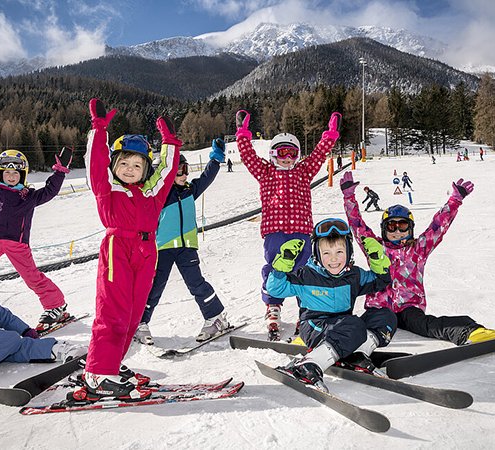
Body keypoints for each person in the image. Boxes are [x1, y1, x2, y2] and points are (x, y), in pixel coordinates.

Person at [74, 98, 180, 403]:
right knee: (113, 311)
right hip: (117, 247)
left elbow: (168, 172)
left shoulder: (151, 193)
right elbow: (95, 161)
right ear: (114, 165)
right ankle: (97, 372)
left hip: (147, 251)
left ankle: (110, 365)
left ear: (146, 168)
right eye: (124, 163)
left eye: (137, 165)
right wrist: (99, 127)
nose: (130, 169)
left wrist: (170, 143)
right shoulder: (107, 188)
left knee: (133, 316)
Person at [340, 171, 495, 346]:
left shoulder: (418, 249)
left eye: (402, 226)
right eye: (391, 226)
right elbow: (357, 226)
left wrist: (455, 201)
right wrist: (349, 197)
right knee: (359, 325)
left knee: (427, 325)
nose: (397, 231)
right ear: (383, 229)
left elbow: (438, 226)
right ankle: (327, 339)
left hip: (408, 307)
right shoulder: (376, 248)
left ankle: (471, 332)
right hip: (378, 308)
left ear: (410, 228)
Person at [236, 109, 341, 340]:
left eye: (292, 153)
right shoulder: (265, 171)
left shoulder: (304, 171)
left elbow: (318, 155)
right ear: (273, 154)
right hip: (275, 232)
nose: (287, 158)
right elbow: (248, 157)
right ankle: (273, 306)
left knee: (303, 271)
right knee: (276, 269)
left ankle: (306, 308)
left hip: (302, 231)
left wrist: (330, 136)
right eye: (282, 153)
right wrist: (243, 135)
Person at [265, 218, 396, 391]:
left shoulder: (354, 275)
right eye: (326, 253)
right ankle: (308, 365)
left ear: (349, 252)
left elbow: (380, 281)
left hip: (345, 328)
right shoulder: (306, 275)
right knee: (353, 325)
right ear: (317, 254)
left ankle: (356, 355)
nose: (333, 259)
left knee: (385, 316)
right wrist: (281, 267)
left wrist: (377, 259)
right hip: (315, 328)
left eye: (339, 252)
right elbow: (275, 289)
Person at [0, 125, 71, 332]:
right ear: (0, 173)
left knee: (32, 277)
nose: (11, 176)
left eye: (16, 173)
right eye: (7, 173)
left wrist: (59, 172)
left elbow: (50, 192)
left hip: (17, 243)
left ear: (22, 174)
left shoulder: (29, 196)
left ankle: (55, 305)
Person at [135, 141, 230, 346]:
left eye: (185, 169)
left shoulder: (189, 190)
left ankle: (216, 317)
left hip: (187, 246)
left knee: (196, 283)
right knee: (155, 286)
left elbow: (206, 177)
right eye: (178, 170)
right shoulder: (159, 196)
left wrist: (215, 159)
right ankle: (140, 323)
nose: (184, 174)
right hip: (163, 248)